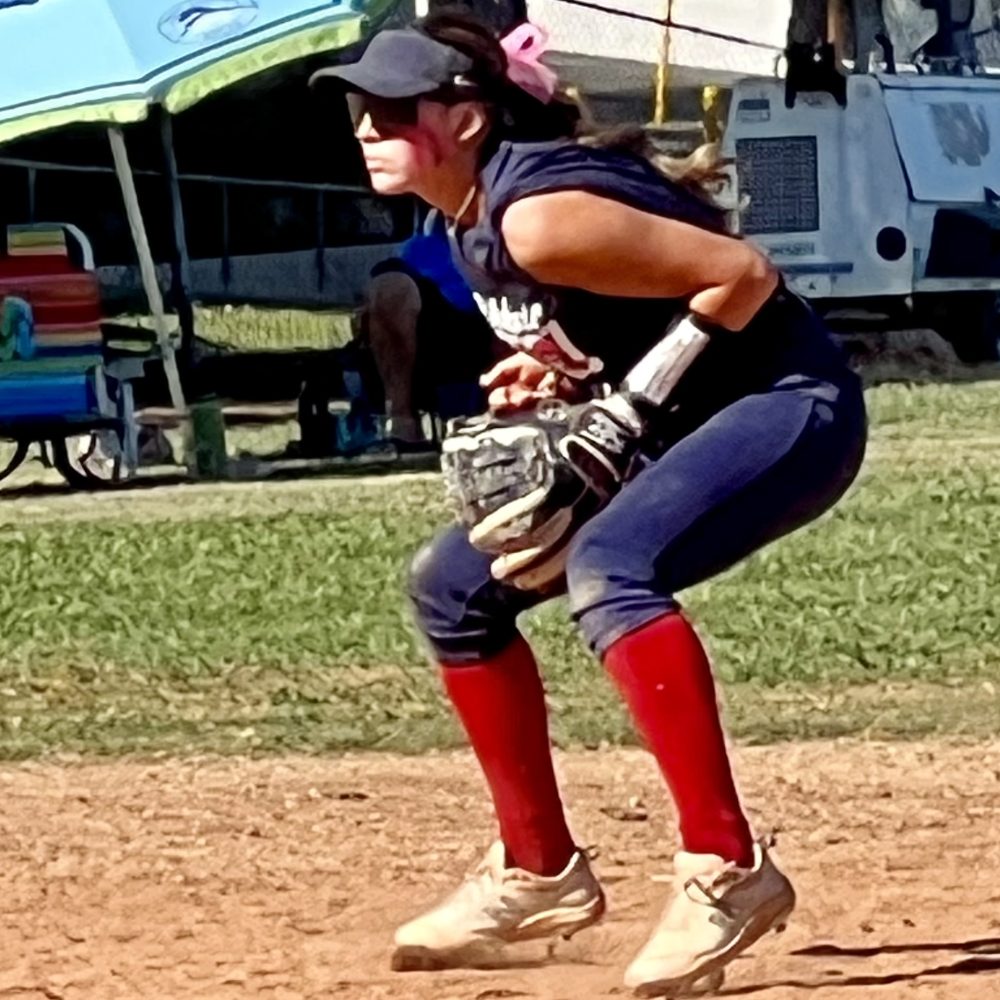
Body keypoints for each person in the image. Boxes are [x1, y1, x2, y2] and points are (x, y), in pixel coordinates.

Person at [311, 12, 867, 995]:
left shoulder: (533, 213)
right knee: (452, 589)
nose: (367, 126)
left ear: (467, 120)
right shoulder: (468, 218)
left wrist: (625, 410)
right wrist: (557, 367)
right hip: (693, 415)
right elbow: (628, 315)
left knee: (613, 568)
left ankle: (727, 868)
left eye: (394, 109)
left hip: (790, 407)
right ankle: (538, 872)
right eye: (361, 107)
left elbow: (743, 277)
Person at [365, 208, 497, 449]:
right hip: (441, 331)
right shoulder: (422, 243)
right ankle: (401, 421)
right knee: (390, 284)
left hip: (499, 320)